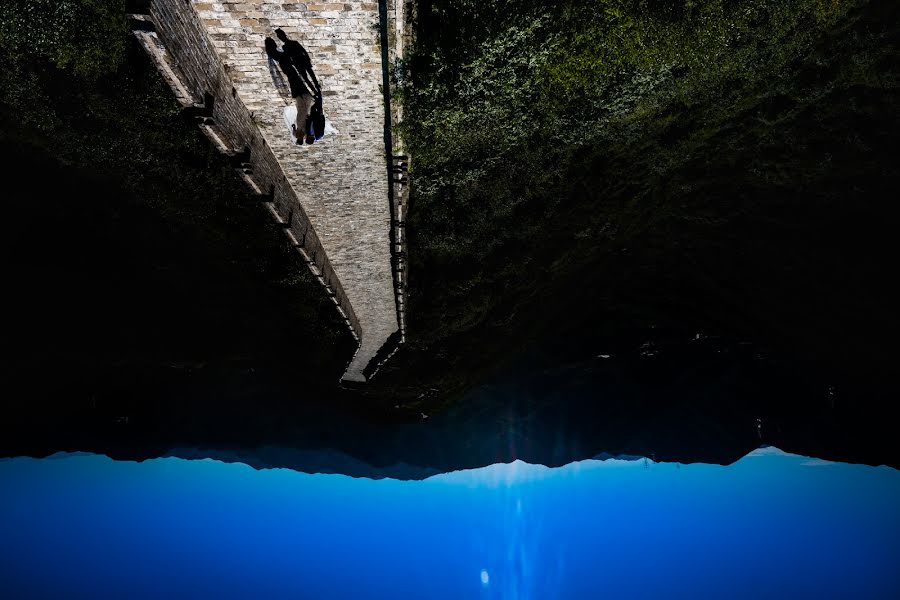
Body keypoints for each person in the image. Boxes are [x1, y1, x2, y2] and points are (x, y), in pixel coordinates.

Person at [265, 37, 316, 144]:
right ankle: (284, 59)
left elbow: (307, 119)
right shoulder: (298, 132)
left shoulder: (306, 132)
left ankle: (285, 59)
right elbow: (295, 125)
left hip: (304, 100)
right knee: (292, 78)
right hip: (300, 100)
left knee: (294, 78)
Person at [275, 28, 320, 94]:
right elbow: (289, 56)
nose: (281, 38)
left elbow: (303, 51)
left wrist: (307, 59)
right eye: (279, 37)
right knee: (306, 77)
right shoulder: (285, 47)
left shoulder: (293, 43)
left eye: (281, 36)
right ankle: (315, 90)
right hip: (298, 63)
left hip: (302, 61)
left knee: (310, 76)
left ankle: (316, 88)